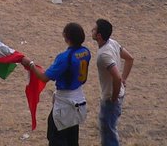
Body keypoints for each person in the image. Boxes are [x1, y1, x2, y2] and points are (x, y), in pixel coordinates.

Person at [19, 22, 92, 146]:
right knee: (72, 137)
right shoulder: (86, 52)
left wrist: (30, 64)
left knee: (56, 137)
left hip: (65, 102)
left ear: (66, 36)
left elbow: (44, 77)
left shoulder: (65, 57)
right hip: (78, 99)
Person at [91, 18, 133, 146]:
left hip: (110, 99)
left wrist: (113, 98)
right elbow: (130, 59)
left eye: (94, 29)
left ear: (98, 35)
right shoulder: (112, 43)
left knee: (109, 134)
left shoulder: (103, 55)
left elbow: (117, 77)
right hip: (118, 94)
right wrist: (124, 79)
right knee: (110, 130)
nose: (91, 30)